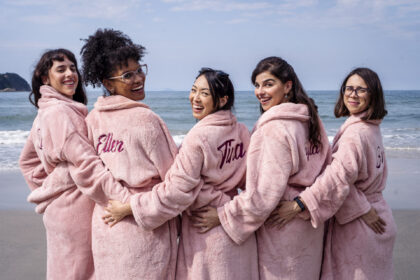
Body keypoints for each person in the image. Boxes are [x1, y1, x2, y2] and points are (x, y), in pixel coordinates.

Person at [105, 68, 259, 280]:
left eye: (204, 93)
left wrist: (130, 206)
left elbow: (176, 191)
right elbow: (253, 184)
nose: (195, 98)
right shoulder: (242, 131)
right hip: (239, 235)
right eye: (194, 90)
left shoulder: (197, 138)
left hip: (205, 235)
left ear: (222, 100)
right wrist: (228, 207)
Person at [190, 56, 331, 280]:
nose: (260, 92)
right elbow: (328, 173)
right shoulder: (310, 118)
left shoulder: (274, 128)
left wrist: (223, 215)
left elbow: (264, 195)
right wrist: (303, 204)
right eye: (257, 85)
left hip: (280, 226)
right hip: (308, 226)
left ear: (287, 86)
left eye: (268, 84)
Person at [267, 67, 397, 279]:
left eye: (361, 90)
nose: (352, 94)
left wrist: (300, 204)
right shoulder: (371, 127)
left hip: (360, 228)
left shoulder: (355, 133)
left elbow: (337, 178)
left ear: (373, 94)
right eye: (349, 88)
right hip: (378, 217)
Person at [19, 48, 131, 280]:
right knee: (81, 273)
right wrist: (127, 203)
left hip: (60, 209)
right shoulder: (60, 113)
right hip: (76, 210)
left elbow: (27, 161)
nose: (70, 74)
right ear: (44, 77)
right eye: (61, 69)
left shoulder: (48, 111)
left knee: (66, 270)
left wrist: (49, 192)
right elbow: (87, 165)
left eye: (72, 68)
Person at [79, 28, 179, 280]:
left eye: (139, 70)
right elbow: (175, 181)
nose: (138, 79)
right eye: (127, 75)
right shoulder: (146, 120)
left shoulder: (91, 120)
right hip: (145, 230)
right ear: (108, 83)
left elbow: (86, 174)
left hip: (106, 223)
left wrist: (119, 201)